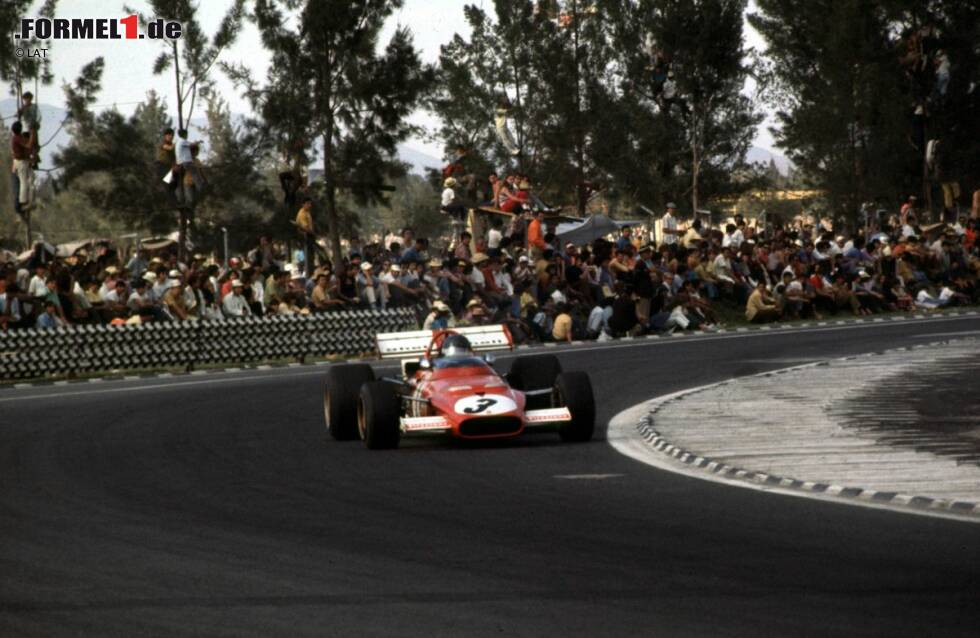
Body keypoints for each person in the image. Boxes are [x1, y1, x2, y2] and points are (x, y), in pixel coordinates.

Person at [10, 121, 36, 214]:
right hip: (21, 162)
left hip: (20, 161)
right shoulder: (17, 139)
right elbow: (28, 145)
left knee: (29, 179)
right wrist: (32, 133)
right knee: (23, 182)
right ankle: (23, 202)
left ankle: (26, 200)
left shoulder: (16, 138)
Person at [295, 198, 316, 277]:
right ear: (303, 204)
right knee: (308, 258)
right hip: (306, 236)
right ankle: (309, 275)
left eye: (310, 204)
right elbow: (305, 228)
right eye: (307, 203)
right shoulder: (302, 213)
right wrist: (313, 233)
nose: (309, 205)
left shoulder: (307, 212)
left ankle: (311, 273)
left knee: (311, 258)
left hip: (310, 235)